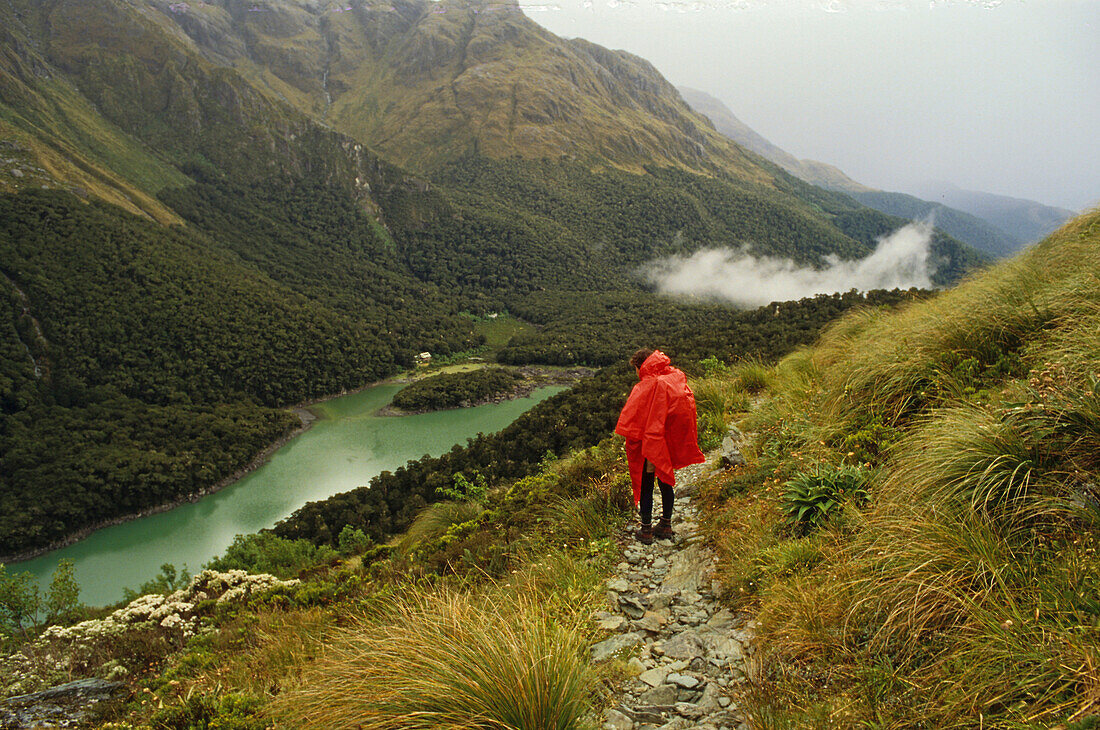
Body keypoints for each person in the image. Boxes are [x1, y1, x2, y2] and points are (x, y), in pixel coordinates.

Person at [615, 349, 705, 544]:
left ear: (640, 366)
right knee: (665, 481)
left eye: (636, 369)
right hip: (669, 439)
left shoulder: (647, 385)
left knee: (646, 483)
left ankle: (646, 530)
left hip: (652, 442)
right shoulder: (674, 377)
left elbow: (634, 419)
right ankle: (665, 524)